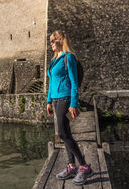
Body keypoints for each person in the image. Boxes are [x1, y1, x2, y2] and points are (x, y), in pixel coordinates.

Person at [47, 30, 93, 186]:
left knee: (62, 133)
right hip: (55, 99)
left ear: (61, 40)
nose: (51, 43)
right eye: (50, 41)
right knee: (65, 132)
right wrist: (48, 101)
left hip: (65, 98)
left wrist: (74, 103)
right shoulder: (54, 60)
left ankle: (84, 167)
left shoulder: (69, 57)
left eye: (53, 41)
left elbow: (74, 83)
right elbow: (51, 81)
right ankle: (71, 166)